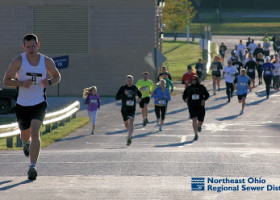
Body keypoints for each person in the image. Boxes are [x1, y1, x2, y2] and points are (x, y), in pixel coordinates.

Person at [3, 33, 61, 180]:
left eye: (33, 46)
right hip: (22, 104)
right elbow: (6, 80)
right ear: (24, 47)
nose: (31, 49)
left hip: (39, 102)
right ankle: (26, 144)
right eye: (28, 47)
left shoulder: (46, 61)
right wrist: (22, 83)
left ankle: (32, 166)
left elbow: (57, 76)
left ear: (38, 45)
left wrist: (50, 82)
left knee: (36, 132)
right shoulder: (18, 61)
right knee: (25, 135)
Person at [115, 75, 142, 146]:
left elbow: (140, 94)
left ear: (132, 81)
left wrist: (140, 98)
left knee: (131, 121)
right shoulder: (122, 88)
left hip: (132, 108)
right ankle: (130, 133)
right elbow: (117, 97)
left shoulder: (134, 88)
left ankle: (129, 138)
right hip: (124, 109)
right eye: (128, 81)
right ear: (125, 81)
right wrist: (124, 94)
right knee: (126, 123)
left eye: (131, 81)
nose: (130, 82)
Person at [182, 75, 209, 141]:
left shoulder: (201, 87)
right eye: (192, 80)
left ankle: (199, 126)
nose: (194, 81)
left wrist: (203, 100)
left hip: (200, 106)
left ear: (197, 80)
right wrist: (185, 99)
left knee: (200, 120)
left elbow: (207, 95)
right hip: (192, 106)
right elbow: (184, 95)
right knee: (194, 120)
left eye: (195, 80)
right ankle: (196, 134)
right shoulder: (189, 88)